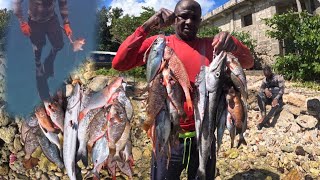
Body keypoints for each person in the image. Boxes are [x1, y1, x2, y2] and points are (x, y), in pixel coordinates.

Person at [112, 0, 254, 179]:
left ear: (200, 21)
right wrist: (147, 26)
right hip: (168, 137)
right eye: (183, 17)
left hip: (203, 137)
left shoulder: (213, 47)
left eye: (194, 18)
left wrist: (233, 43)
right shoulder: (160, 45)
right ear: (174, 19)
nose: (189, 22)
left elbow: (248, 62)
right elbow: (119, 63)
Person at [13, 0, 72, 100]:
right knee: (37, 52)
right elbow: (16, 2)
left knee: (59, 45)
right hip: (34, 22)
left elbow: (63, 3)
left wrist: (66, 23)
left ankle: (49, 61)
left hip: (52, 19)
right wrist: (22, 22)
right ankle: (41, 84)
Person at [257, 65, 285, 130]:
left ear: (271, 72)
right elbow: (261, 89)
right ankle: (263, 115)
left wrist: (276, 99)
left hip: (278, 97)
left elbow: (282, 90)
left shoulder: (278, 78)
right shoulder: (265, 80)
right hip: (269, 97)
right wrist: (265, 90)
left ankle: (264, 122)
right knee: (259, 95)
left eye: (268, 75)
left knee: (275, 106)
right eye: (266, 76)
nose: (267, 77)